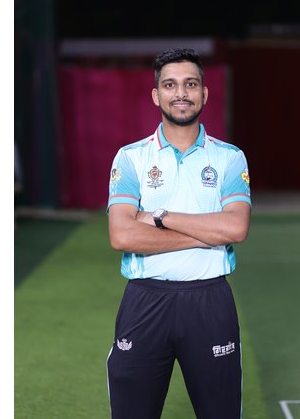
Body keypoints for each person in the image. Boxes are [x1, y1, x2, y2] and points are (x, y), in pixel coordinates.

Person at [106, 48, 251, 419]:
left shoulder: (229, 158)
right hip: (145, 301)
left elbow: (236, 227)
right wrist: (208, 233)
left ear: (204, 93)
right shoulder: (130, 157)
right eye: (170, 85)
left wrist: (160, 216)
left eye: (191, 84)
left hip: (210, 301)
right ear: (157, 95)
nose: (181, 93)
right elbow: (122, 236)